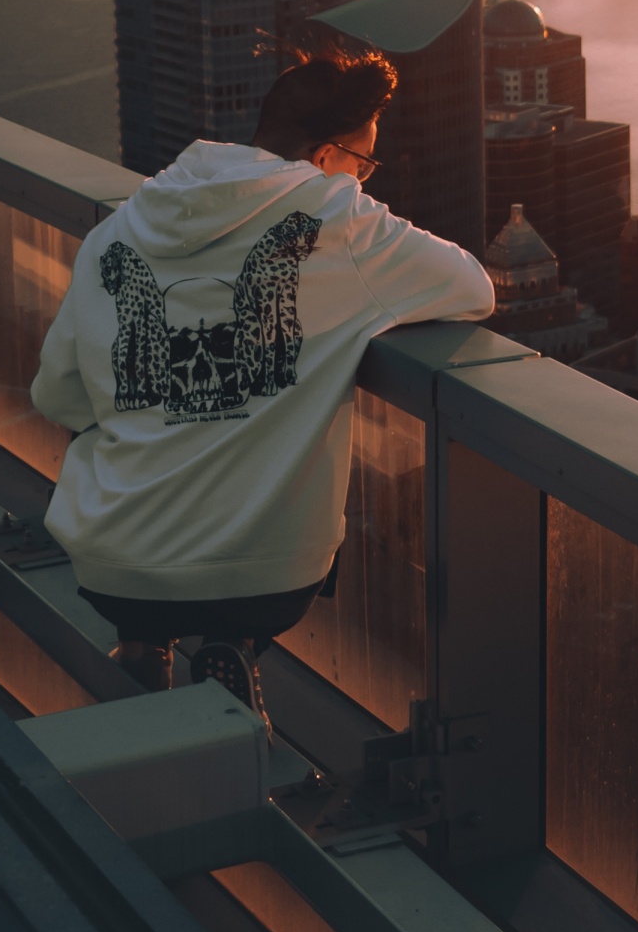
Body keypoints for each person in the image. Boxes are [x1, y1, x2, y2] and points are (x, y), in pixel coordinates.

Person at [31, 47, 494, 722]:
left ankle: (143, 645)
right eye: (363, 164)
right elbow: (472, 288)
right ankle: (233, 647)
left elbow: (57, 397)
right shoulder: (337, 221)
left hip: (114, 570)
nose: (363, 181)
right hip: (265, 581)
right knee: (264, 503)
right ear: (330, 155)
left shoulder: (120, 229)